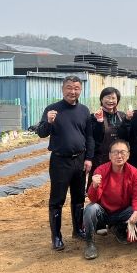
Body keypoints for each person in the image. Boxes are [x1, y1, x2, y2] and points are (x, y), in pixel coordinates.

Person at [37, 75, 94, 251]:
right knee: (57, 200)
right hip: (60, 161)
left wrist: (89, 158)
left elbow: (89, 137)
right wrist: (48, 122)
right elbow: (41, 133)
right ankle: (56, 237)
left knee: (78, 198)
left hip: (79, 160)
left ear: (80, 90)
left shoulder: (84, 110)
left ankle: (78, 229)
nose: (72, 91)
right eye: (69, 88)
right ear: (63, 89)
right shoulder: (52, 109)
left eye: (76, 88)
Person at [83, 139, 137, 260]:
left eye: (123, 152)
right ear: (109, 155)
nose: (119, 155)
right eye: (115, 152)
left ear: (128, 155)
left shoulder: (133, 172)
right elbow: (93, 199)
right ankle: (89, 243)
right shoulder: (101, 170)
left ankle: (119, 228)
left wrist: (136, 211)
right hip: (103, 212)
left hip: (122, 212)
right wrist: (94, 186)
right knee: (90, 209)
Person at [89, 87, 130, 189]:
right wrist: (99, 121)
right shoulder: (93, 117)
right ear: (101, 99)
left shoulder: (122, 116)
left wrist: (128, 121)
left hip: (119, 158)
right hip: (100, 159)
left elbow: (127, 136)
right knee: (100, 187)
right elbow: (93, 138)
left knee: (117, 187)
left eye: (113, 98)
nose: (110, 101)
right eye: (107, 97)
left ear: (117, 100)